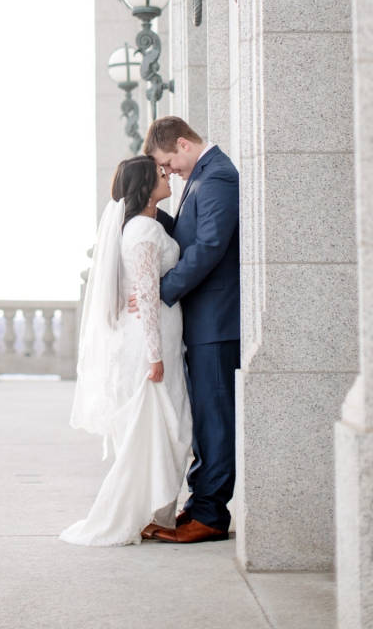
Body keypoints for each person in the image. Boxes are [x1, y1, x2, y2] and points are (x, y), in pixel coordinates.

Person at [60, 156, 192, 547]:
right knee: (166, 428)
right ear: (146, 188)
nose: (167, 176)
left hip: (158, 341)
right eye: (160, 174)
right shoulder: (143, 232)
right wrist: (155, 356)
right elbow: (148, 297)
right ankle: (140, 514)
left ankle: (154, 513)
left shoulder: (140, 228)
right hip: (152, 345)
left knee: (167, 429)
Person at [130, 116, 240, 544]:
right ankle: (199, 505)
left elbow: (210, 245)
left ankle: (210, 516)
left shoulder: (217, 176)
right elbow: (189, 238)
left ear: (182, 143)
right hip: (205, 320)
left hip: (216, 320)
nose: (169, 172)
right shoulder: (202, 176)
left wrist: (160, 290)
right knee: (206, 420)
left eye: (168, 163)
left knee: (215, 422)